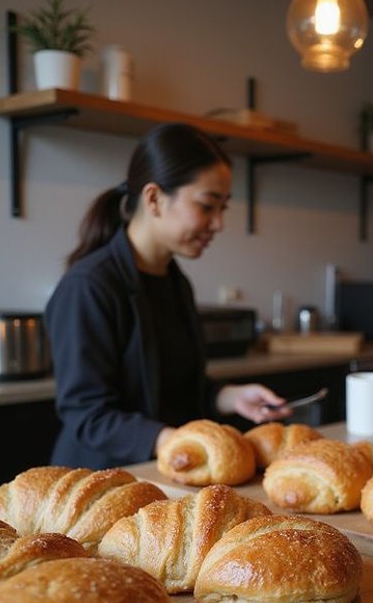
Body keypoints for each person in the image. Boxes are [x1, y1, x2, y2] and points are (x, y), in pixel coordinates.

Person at [45, 122, 290, 469]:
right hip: (100, 481)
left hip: (161, 474)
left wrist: (231, 397)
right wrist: (175, 442)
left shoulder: (175, 281)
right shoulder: (89, 286)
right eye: (207, 206)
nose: (219, 224)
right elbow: (87, 415)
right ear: (154, 199)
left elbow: (176, 390)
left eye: (224, 208)